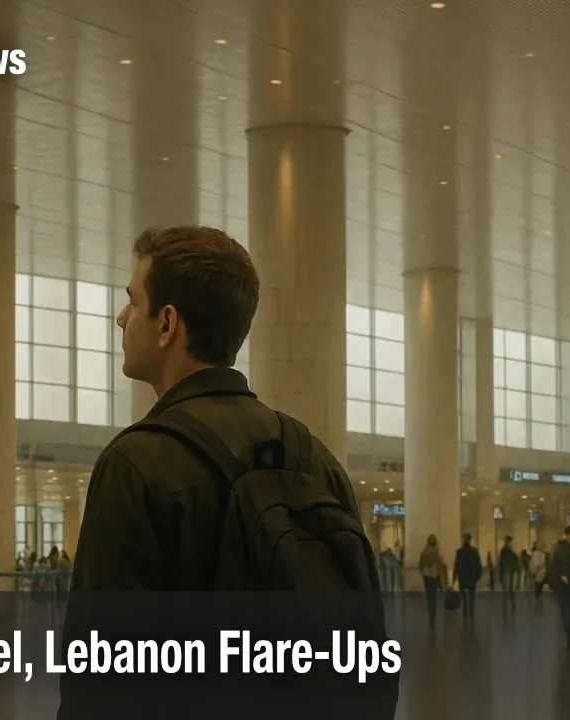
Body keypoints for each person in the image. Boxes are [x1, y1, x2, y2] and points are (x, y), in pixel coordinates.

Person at [62, 226, 389, 718]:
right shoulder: (312, 456)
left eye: (133, 301)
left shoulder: (136, 463)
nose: (121, 317)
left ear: (167, 323)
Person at [550, 525, 570, 649]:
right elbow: (554, 565)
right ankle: (569, 634)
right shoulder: (560, 548)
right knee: (565, 609)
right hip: (563, 584)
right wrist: (560, 576)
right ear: (568, 535)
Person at [418, 535, 446, 628]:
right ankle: (432, 616)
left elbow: (420, 566)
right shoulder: (436, 553)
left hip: (426, 577)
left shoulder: (424, 552)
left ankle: (431, 614)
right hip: (434, 577)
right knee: (433, 597)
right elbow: (441, 566)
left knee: (429, 597)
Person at [452, 533, 482, 619]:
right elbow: (478, 564)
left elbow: (456, 565)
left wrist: (454, 577)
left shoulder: (459, 551)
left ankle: (465, 611)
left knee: (464, 596)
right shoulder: (474, 551)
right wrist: (478, 576)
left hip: (462, 577)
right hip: (472, 577)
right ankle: (471, 612)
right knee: (472, 596)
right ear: (470, 540)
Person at [498, 537, 520, 609]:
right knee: (509, 589)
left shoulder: (506, 551)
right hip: (508, 571)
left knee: (508, 589)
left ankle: (509, 605)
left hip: (508, 571)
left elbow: (501, 563)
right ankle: (510, 604)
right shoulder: (507, 552)